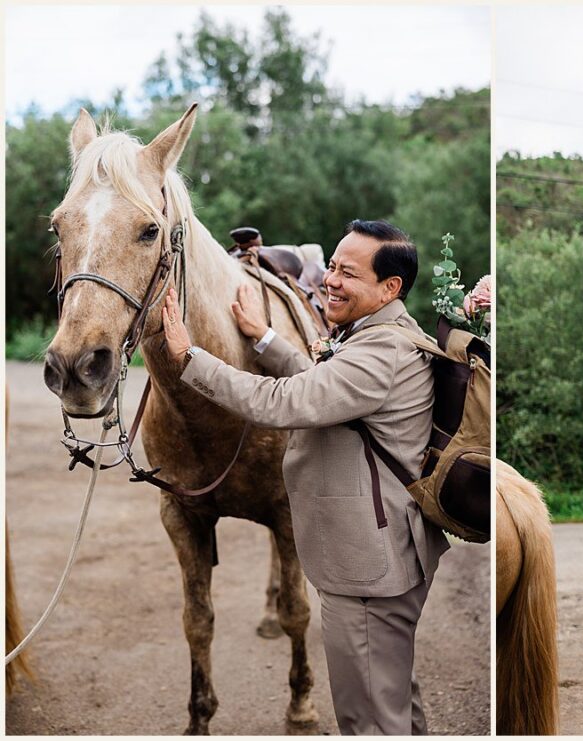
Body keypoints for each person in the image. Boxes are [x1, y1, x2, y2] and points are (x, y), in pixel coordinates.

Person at [161, 219, 450, 735]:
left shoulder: (381, 351)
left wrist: (189, 359)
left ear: (390, 288)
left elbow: (284, 400)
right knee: (394, 695)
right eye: (332, 267)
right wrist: (265, 337)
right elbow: (325, 383)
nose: (331, 281)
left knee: (368, 717)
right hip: (384, 560)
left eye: (348, 273)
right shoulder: (382, 336)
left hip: (367, 570)